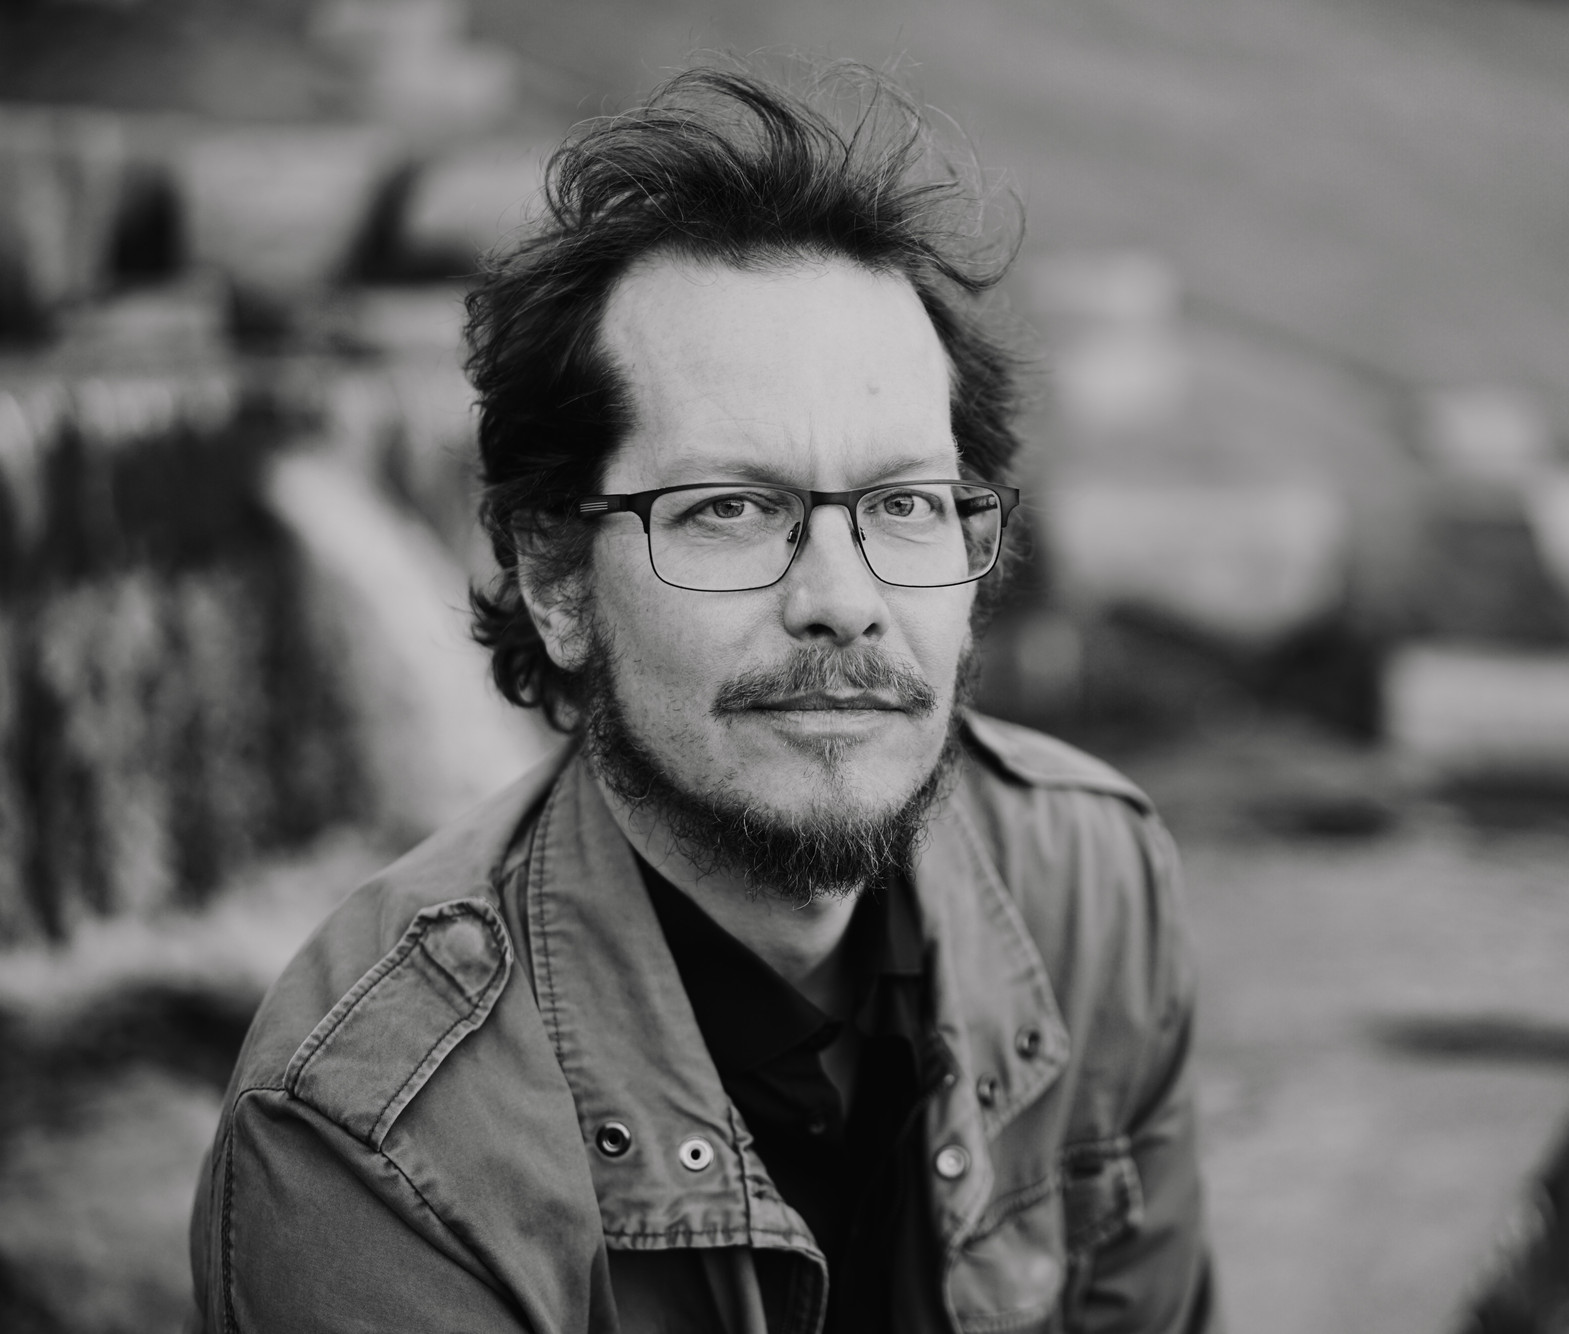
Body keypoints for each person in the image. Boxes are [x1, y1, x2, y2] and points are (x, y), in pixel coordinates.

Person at [189, 63, 1217, 1334]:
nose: (842, 599)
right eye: (729, 506)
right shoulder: (366, 1141)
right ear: (557, 581)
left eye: (903, 502)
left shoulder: (1097, 883)